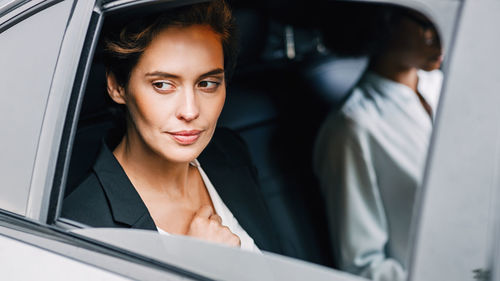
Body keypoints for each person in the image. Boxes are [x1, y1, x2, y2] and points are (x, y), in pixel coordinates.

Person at [62, 0, 280, 253]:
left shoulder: (229, 151)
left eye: (207, 83)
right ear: (117, 86)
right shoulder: (83, 228)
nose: (190, 111)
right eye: (163, 85)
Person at [314, 7, 443, 280]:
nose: (441, 31)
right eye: (426, 21)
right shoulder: (353, 127)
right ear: (385, 21)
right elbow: (363, 265)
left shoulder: (443, 86)